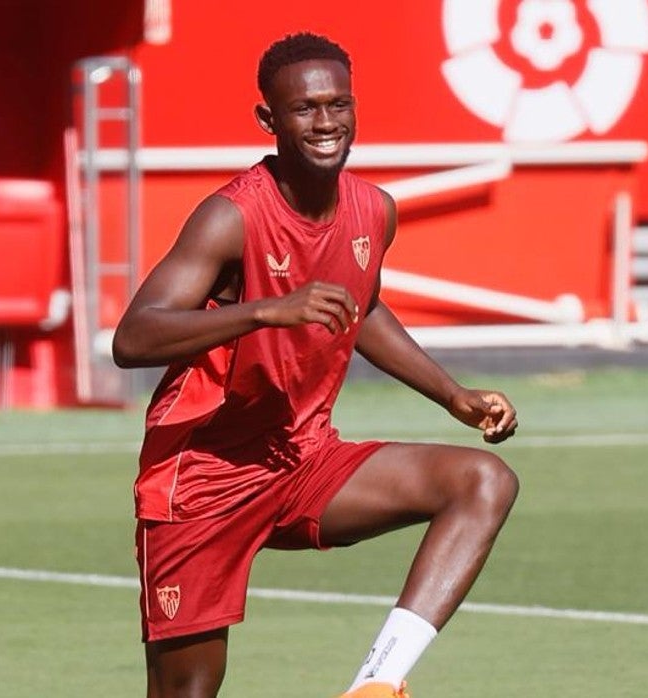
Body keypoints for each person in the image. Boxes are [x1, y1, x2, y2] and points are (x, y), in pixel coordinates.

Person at [112, 33, 519, 698]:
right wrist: (262, 311)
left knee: (483, 480)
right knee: (185, 693)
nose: (325, 122)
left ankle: (376, 685)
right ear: (269, 121)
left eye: (338, 105)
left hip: (303, 461)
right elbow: (134, 336)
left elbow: (363, 305)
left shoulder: (372, 210)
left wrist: (453, 396)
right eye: (303, 110)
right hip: (202, 484)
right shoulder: (229, 216)